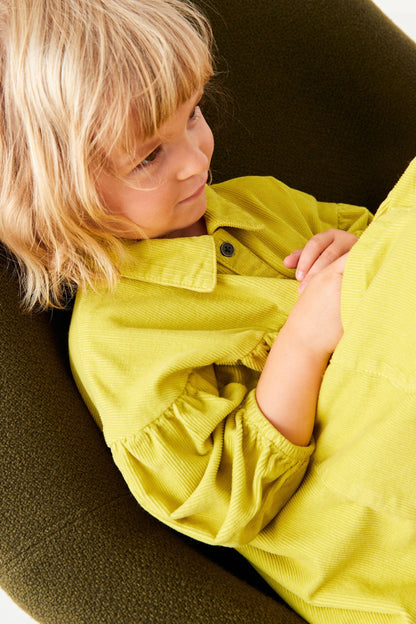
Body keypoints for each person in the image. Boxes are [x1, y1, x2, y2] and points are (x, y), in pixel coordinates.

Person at [0, 0, 414, 622]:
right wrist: (302, 341)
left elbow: (378, 251)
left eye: (193, 114)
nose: (196, 159)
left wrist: (350, 245)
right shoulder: (119, 340)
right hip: (363, 522)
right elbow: (225, 501)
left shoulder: (255, 202)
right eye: (148, 157)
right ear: (57, 195)